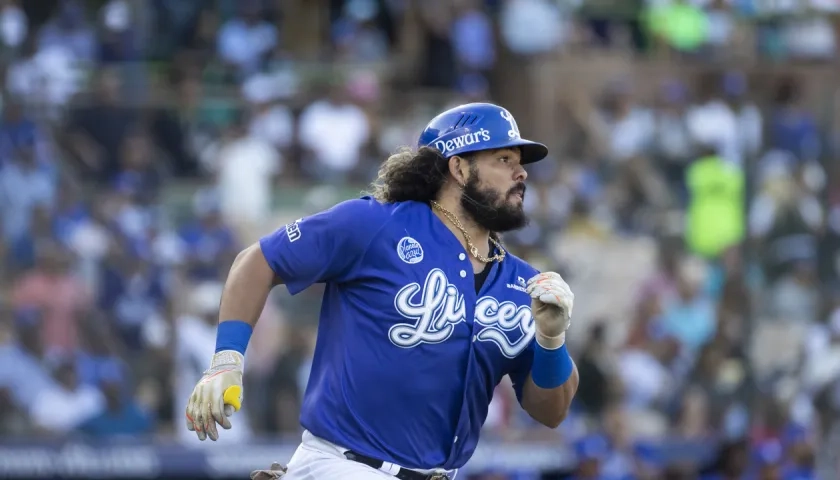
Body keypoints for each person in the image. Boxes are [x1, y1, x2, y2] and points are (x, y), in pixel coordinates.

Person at [185, 102, 580, 480]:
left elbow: (551, 412)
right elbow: (257, 262)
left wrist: (550, 340)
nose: (522, 173)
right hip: (346, 466)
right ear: (458, 168)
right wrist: (226, 360)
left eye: (520, 162)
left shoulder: (521, 283)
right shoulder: (376, 225)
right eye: (504, 160)